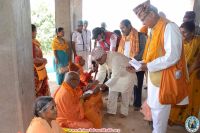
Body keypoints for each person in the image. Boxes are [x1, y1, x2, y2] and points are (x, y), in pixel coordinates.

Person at [133, 1, 188, 132]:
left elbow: (172, 56)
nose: (142, 23)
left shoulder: (169, 27)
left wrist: (148, 66)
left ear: (151, 14)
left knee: (160, 113)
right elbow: (152, 54)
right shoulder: (153, 28)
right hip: (155, 77)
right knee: (155, 111)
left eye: (143, 19)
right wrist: (140, 65)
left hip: (165, 78)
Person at [91, 47, 137, 118]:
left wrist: (104, 85)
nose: (99, 62)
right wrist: (95, 82)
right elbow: (101, 72)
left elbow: (115, 76)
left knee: (125, 94)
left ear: (104, 55)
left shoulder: (115, 58)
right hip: (117, 75)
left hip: (127, 75)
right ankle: (111, 111)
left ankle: (124, 112)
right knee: (112, 91)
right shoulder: (102, 60)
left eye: (99, 60)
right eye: (97, 61)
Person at [169, 22, 200, 125]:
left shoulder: (198, 42)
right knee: (177, 95)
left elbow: (196, 62)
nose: (182, 35)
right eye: (180, 32)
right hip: (181, 72)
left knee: (191, 99)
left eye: (185, 33)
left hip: (194, 73)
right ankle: (173, 118)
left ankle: (190, 124)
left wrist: (186, 75)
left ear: (192, 32)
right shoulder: (180, 42)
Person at [118, 19, 147, 110]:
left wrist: (132, 60)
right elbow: (121, 51)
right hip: (126, 64)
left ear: (129, 26)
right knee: (127, 84)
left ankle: (137, 104)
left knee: (137, 84)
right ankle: (127, 102)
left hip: (137, 64)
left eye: (123, 27)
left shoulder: (140, 35)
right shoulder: (123, 37)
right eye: (120, 28)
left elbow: (143, 51)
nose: (121, 30)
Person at [32, 24, 50, 97]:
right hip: (35, 72)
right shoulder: (30, 43)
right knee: (38, 91)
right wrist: (43, 60)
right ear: (32, 32)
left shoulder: (34, 42)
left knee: (42, 88)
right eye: (35, 31)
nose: (36, 33)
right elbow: (32, 59)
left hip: (40, 69)